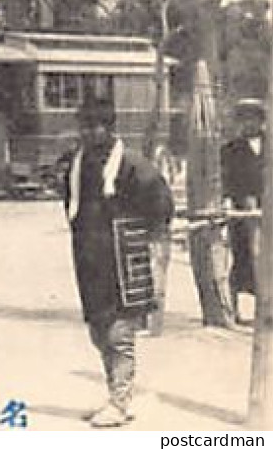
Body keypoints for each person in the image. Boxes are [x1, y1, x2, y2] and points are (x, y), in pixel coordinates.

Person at [63, 99, 174, 428]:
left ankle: (120, 402)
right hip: (89, 257)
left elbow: (161, 205)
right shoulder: (77, 164)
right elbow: (70, 205)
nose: (89, 132)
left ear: (110, 128)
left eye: (95, 126)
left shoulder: (132, 164)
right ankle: (116, 394)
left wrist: (144, 239)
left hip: (123, 258)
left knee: (119, 332)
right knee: (98, 330)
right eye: (84, 126)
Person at [222, 98, 265, 323]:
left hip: (268, 209)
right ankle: (234, 310)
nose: (249, 124)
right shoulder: (231, 150)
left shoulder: (270, 145)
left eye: (253, 118)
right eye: (244, 119)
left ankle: (265, 310)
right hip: (241, 212)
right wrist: (229, 201)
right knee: (242, 257)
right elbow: (225, 180)